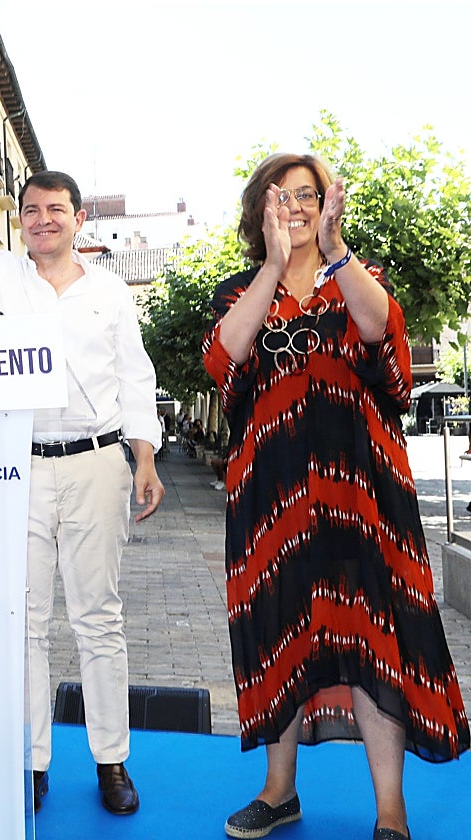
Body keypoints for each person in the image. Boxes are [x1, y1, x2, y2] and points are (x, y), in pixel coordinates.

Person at [203, 152, 469, 840]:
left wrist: (335, 251)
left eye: (306, 195)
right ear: (258, 211)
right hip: (272, 500)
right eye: (279, 196)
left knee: (376, 638)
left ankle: (390, 812)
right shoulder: (239, 290)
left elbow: (381, 330)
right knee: (279, 634)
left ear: (326, 206)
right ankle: (279, 792)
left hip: (363, 494)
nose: (293, 206)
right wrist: (272, 265)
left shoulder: (357, 275)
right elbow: (227, 356)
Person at [0, 122, 165, 816]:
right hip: (15, 468)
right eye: (31, 210)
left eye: (56, 209)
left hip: (97, 464)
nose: (42, 219)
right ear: (19, 220)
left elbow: (135, 378)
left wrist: (144, 457)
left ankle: (111, 760)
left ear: (79, 220)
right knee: (22, 620)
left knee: (98, 618)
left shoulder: (111, 292)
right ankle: (32, 761)